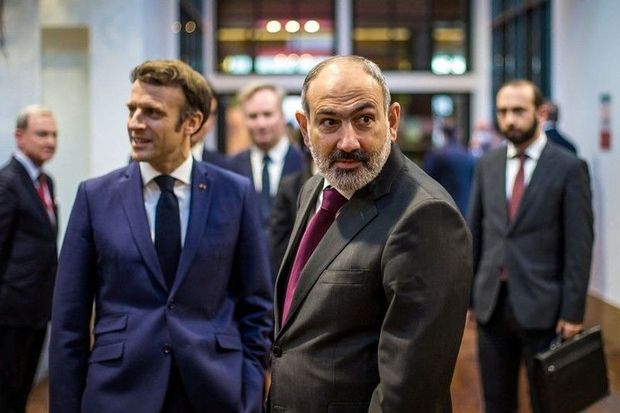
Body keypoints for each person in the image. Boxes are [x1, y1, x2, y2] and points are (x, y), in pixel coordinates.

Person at [49, 59, 273, 413]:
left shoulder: (234, 192)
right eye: (132, 110)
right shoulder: (95, 197)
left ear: (191, 122)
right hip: (119, 394)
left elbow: (257, 306)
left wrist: (249, 390)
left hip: (216, 391)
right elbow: (68, 321)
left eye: (152, 112)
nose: (135, 123)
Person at [268, 55, 472, 412]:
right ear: (305, 128)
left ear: (391, 121)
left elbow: (410, 393)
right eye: (329, 122)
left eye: (364, 119)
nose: (348, 142)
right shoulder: (314, 190)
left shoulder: (425, 215)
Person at [468, 79, 593, 413]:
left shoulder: (569, 167)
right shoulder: (487, 164)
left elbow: (579, 244)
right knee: (496, 402)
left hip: (545, 307)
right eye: (503, 112)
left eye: (518, 111)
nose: (509, 120)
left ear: (540, 113)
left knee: (548, 402)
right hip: (492, 304)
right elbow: (475, 232)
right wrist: (469, 298)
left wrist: (573, 311)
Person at [0, 105, 58, 413]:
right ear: (19, 137)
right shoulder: (7, 183)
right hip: (10, 312)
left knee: (23, 389)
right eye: (42, 134)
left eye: (54, 135)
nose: (50, 141)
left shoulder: (45, 182)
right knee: (7, 392)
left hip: (36, 309)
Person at [228, 82, 305, 252]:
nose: (261, 124)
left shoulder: (305, 165)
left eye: (267, 114)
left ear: (282, 116)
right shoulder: (230, 168)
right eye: (253, 116)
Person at [424, 117, 475, 216]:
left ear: (443, 134)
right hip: (464, 210)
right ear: (458, 133)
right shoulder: (468, 156)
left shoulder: (437, 156)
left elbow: (426, 182)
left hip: (443, 210)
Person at [190, 80, 231, 168]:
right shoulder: (161, 163)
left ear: (213, 120)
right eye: (194, 112)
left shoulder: (224, 166)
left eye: (207, 114)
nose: (199, 122)